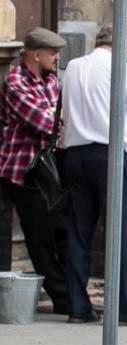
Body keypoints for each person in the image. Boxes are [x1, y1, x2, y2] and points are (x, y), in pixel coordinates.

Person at [62, 25, 127, 326]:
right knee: (122, 231)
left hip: (75, 154)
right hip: (110, 154)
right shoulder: (123, 69)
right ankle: (123, 308)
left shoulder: (74, 66)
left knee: (78, 232)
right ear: (121, 45)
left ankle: (77, 305)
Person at [0, 27, 69, 314]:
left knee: (49, 233)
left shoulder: (51, 80)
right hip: (15, 170)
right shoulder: (14, 81)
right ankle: (58, 297)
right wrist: (58, 116)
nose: (56, 58)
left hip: (41, 170)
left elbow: (58, 118)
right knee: (25, 236)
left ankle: (64, 295)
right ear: (36, 54)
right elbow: (45, 122)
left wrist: (58, 116)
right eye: (53, 53)